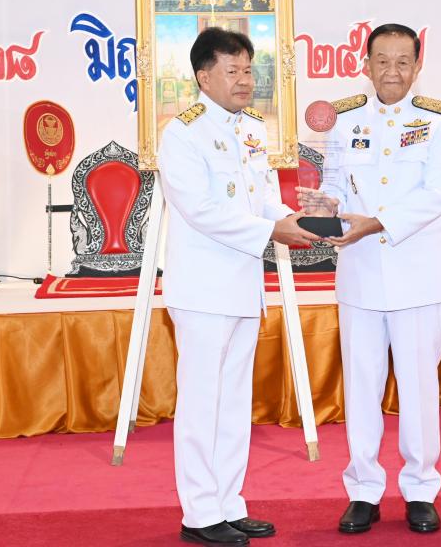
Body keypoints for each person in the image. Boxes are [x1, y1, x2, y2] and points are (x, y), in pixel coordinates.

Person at [158, 27, 319, 546]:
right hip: (203, 290)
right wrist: (271, 232)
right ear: (204, 77)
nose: (245, 80)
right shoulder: (181, 134)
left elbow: (262, 198)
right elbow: (201, 210)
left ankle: (228, 503)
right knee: (202, 404)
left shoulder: (252, 128)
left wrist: (296, 220)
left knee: (232, 404)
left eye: (249, 69)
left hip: (244, 285)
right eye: (233, 71)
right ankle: (199, 513)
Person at [298, 23, 441, 534]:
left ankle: (421, 489)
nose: (392, 71)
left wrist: (377, 223)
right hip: (361, 273)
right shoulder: (343, 118)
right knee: (361, 386)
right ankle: (363, 491)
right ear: (365, 65)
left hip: (417, 275)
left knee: (419, 389)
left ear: (418, 65)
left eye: (403, 61)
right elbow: (333, 181)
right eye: (382, 61)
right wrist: (323, 206)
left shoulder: (439, 119)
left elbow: (438, 194)